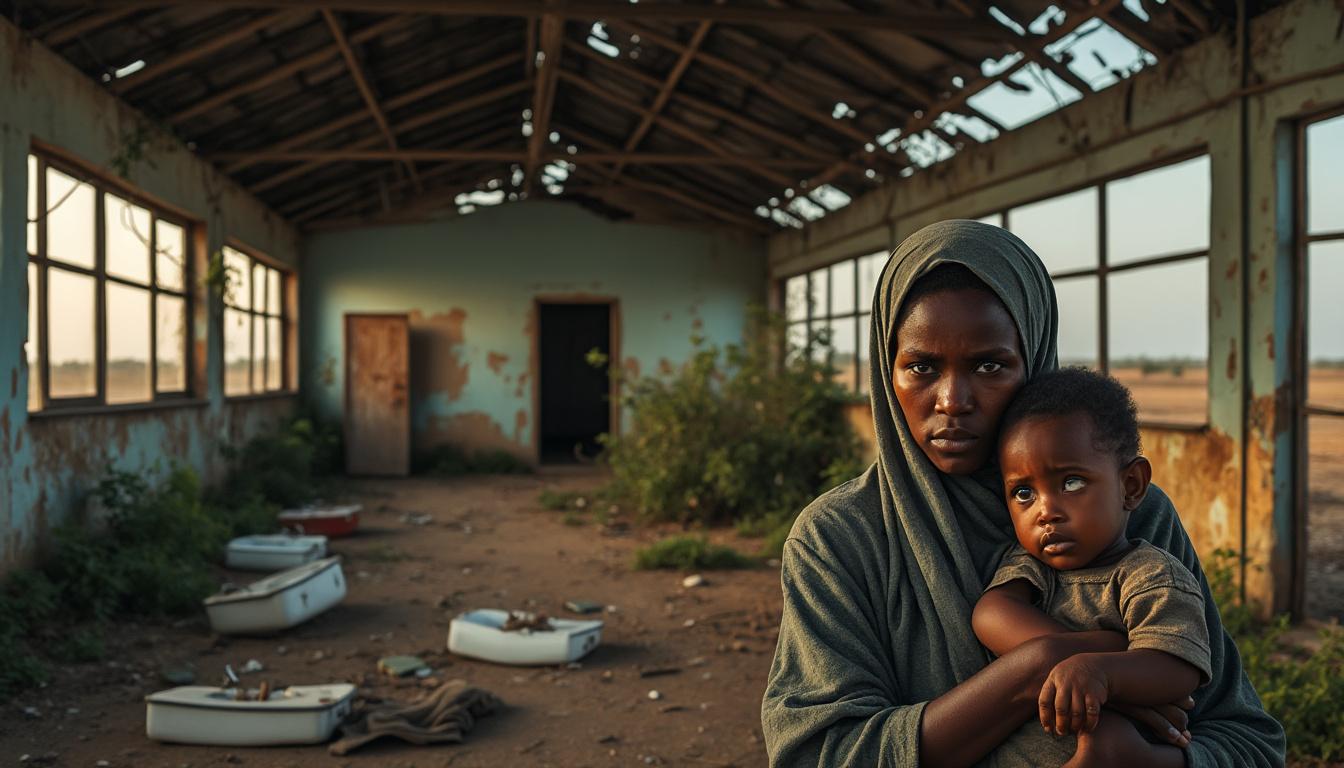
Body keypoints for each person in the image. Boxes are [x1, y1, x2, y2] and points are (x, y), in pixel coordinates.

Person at [760, 220, 1285, 767]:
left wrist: (1151, 760)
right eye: (920, 367)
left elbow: (1247, 740)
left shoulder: (1131, 519)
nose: (953, 400)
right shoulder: (840, 536)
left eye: (990, 365)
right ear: (885, 371)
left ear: (1032, 356)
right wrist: (1042, 665)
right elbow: (817, 753)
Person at [973, 367, 1211, 767]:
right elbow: (991, 613)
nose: (1046, 512)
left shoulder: (1150, 575)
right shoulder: (1036, 567)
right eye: (1024, 493)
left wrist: (1099, 673)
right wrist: (1063, 658)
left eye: (1071, 483)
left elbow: (1179, 669)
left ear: (1131, 485)